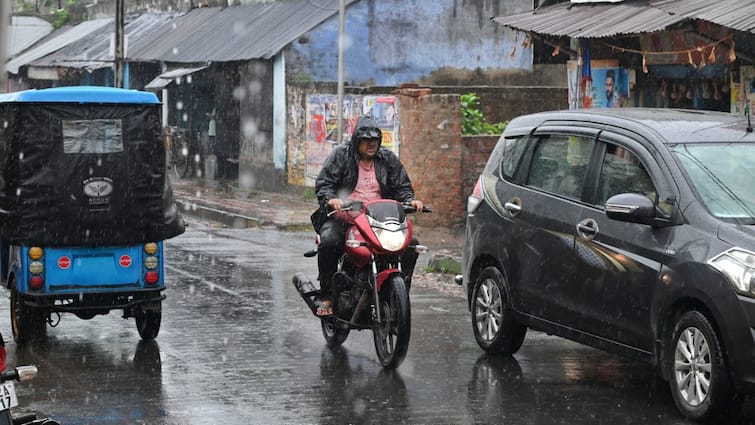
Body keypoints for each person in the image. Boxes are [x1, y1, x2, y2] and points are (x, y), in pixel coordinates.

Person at [312, 115, 424, 316]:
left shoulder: (388, 159)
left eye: (375, 140)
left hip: (378, 220)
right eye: (366, 140)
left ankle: (398, 293)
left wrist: (411, 200)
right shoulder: (340, 156)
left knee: (410, 245)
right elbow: (324, 184)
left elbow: (402, 186)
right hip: (345, 219)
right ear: (357, 140)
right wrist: (332, 199)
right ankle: (327, 295)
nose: (371, 144)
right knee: (329, 241)